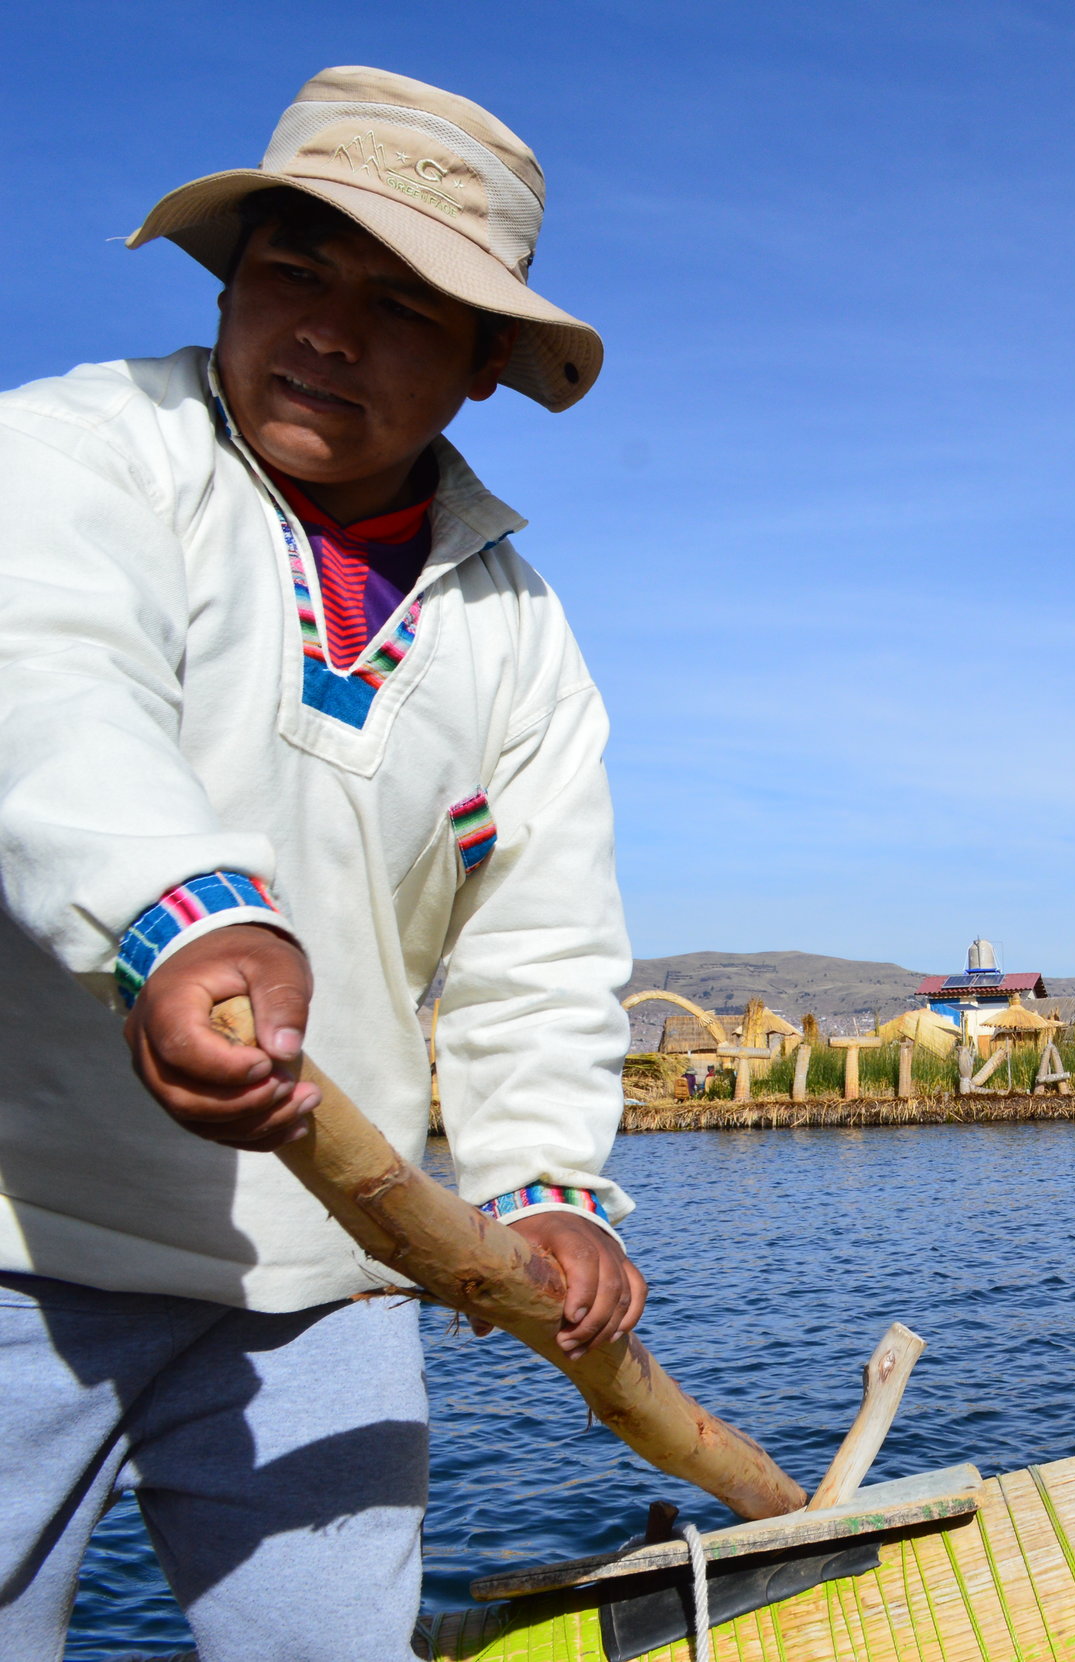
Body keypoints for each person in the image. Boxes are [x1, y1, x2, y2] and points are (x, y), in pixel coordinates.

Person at [0, 67, 643, 1657]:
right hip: (22, 1242)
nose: (330, 329)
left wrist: (548, 1193)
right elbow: (48, 679)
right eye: (295, 267)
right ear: (232, 276)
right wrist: (188, 919)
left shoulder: (518, 632)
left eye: (405, 304)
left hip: (331, 1273)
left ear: (486, 363)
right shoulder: (80, 453)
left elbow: (538, 945)